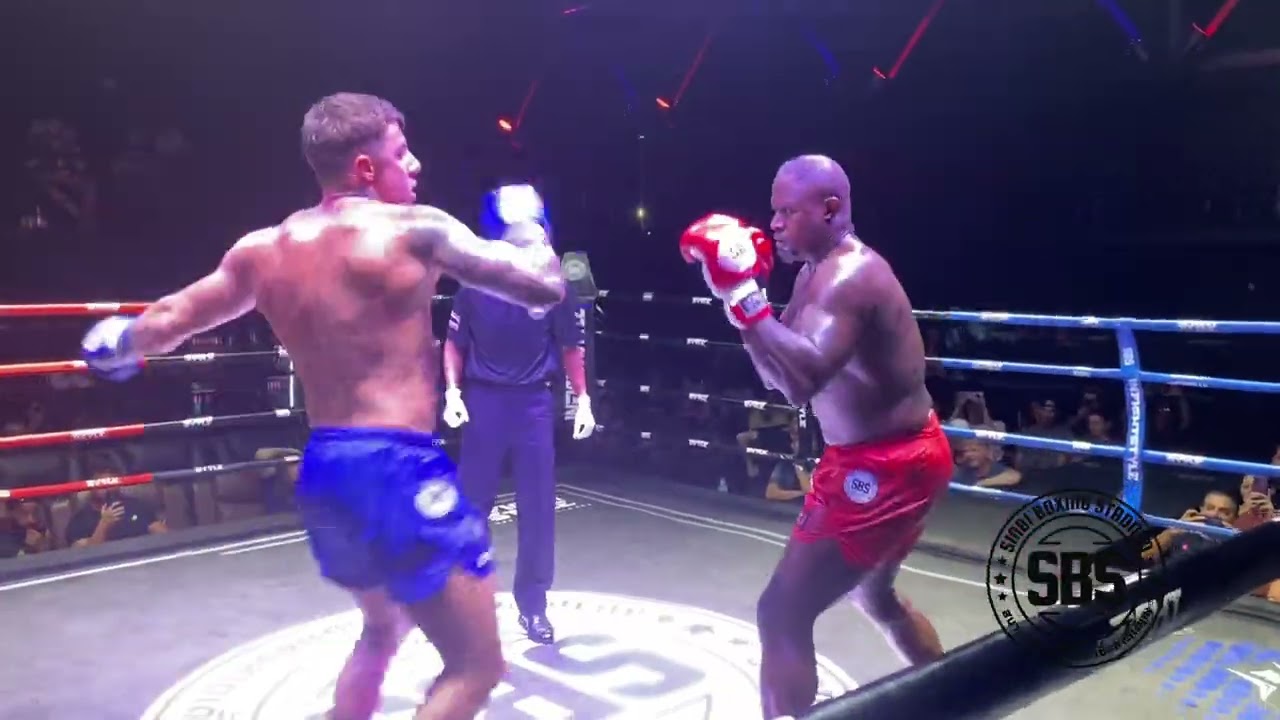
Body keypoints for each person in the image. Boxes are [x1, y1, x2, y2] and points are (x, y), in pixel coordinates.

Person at [78, 92, 566, 720]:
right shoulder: (418, 230)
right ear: (365, 167)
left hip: (326, 473)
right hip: (397, 467)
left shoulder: (263, 250)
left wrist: (119, 342)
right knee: (476, 667)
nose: (415, 164)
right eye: (401, 152)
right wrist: (531, 230)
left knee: (381, 631)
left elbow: (170, 319)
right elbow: (542, 287)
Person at [679, 154, 950, 718]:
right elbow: (779, 378)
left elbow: (805, 378)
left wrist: (745, 297)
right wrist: (738, 301)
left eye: (787, 212)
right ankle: (958, 698)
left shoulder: (849, 276)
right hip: (884, 456)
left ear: (829, 209)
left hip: (886, 466)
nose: (774, 224)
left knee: (781, 613)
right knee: (874, 596)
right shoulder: (811, 274)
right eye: (773, 212)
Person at [441, 188, 596, 644]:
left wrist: (583, 398)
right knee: (473, 507)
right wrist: (452, 391)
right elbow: (454, 343)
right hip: (485, 401)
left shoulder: (553, 285)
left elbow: (570, 345)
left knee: (538, 508)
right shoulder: (476, 283)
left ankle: (534, 605)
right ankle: (464, 604)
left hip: (533, 404)